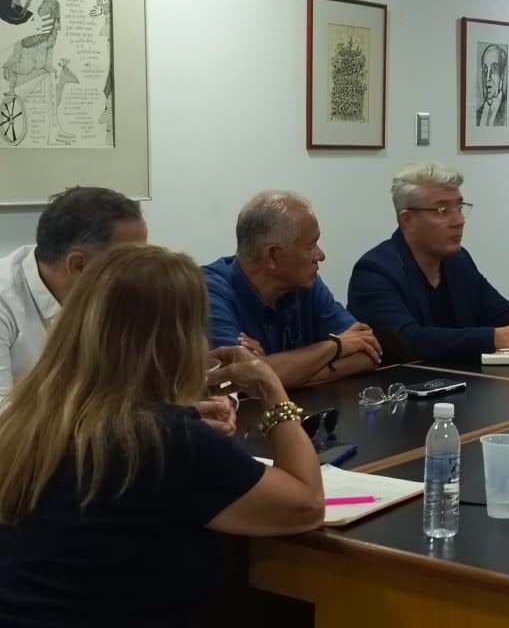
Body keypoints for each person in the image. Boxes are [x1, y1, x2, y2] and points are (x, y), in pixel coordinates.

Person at [0, 244, 324, 627]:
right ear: (174, 341)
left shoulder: (29, 417)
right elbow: (305, 505)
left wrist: (183, 413)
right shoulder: (166, 441)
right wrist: (272, 389)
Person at [348, 161, 509, 362]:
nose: (459, 221)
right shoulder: (374, 272)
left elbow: (501, 314)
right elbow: (410, 341)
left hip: (462, 381)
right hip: (400, 384)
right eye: (443, 211)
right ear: (407, 220)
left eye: (459, 207)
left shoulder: (458, 261)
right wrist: (500, 338)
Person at [203, 191, 381, 388]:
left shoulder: (306, 283)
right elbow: (232, 380)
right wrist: (335, 345)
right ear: (272, 256)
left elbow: (368, 353)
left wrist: (271, 372)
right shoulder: (209, 293)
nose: (321, 255)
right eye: (311, 246)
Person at [0, 186, 147, 400]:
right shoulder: (5, 299)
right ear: (79, 266)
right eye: (130, 262)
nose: (143, 272)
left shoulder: (122, 292)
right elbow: (5, 416)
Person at [475, 43, 507, 127]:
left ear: (502, 75)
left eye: (494, 69)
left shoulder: (508, 112)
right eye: (485, 69)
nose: (487, 78)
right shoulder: (476, 115)